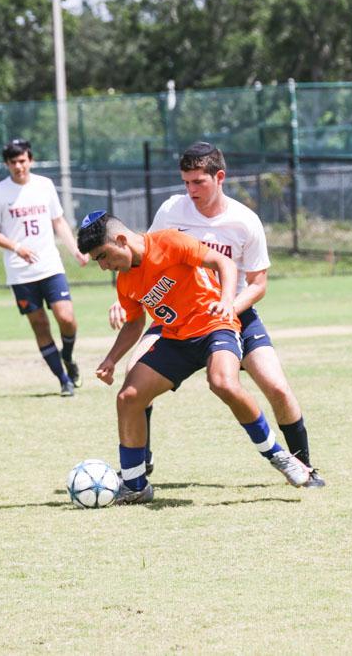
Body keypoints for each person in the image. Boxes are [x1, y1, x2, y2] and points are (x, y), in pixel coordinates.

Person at [108, 141, 324, 487]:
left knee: (277, 388)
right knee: (133, 376)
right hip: (176, 317)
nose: (191, 190)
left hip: (233, 314)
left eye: (199, 182)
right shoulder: (171, 210)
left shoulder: (244, 221)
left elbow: (258, 284)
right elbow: (143, 258)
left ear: (219, 177)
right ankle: (139, 464)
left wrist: (227, 308)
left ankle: (303, 466)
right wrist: (122, 302)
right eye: (186, 182)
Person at [77, 211, 312, 504]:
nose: (103, 266)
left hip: (215, 326)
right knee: (128, 397)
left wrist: (226, 302)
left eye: (103, 256)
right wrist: (111, 359)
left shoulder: (169, 242)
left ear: (121, 240)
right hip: (176, 340)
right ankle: (135, 486)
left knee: (223, 383)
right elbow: (135, 323)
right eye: (97, 261)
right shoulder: (125, 282)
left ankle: (278, 456)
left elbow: (224, 263)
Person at [0, 139, 87, 396]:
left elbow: (58, 221)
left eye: (22, 161)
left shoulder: (44, 185)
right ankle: (63, 380)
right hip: (20, 271)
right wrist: (17, 247)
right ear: (7, 164)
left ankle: (68, 356)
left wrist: (75, 249)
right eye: (13, 162)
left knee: (66, 317)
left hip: (50, 266)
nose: (19, 166)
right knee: (40, 324)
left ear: (30, 160)